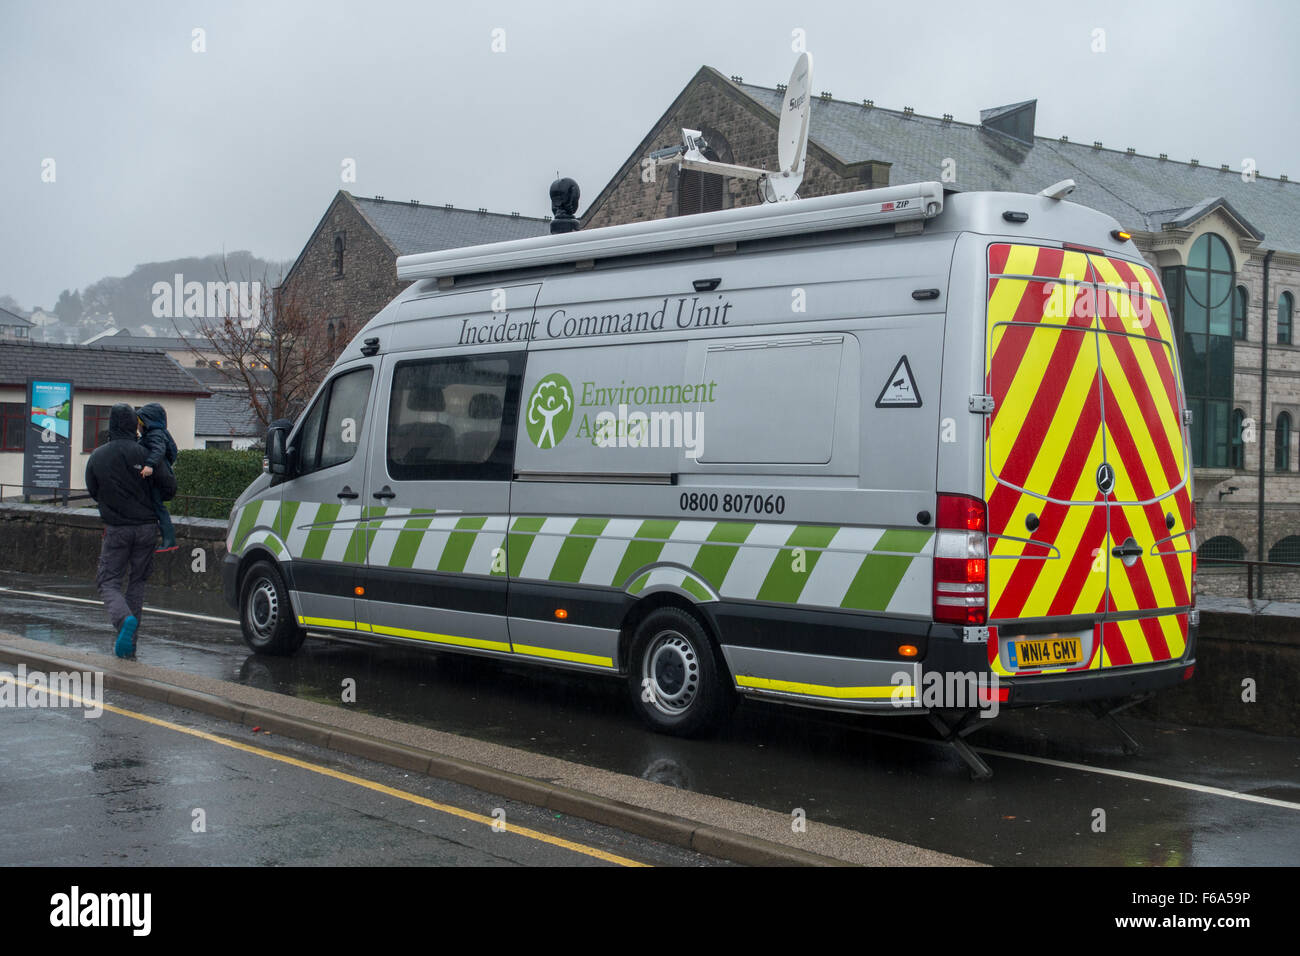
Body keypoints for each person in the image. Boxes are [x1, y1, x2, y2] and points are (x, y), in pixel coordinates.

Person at [85, 403, 176, 658]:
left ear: (112, 424)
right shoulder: (146, 453)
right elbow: (169, 488)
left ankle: (123, 620)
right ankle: (129, 645)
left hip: (116, 529)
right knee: (137, 583)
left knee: (108, 581)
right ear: (135, 424)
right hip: (147, 529)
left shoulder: (98, 456)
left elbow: (93, 490)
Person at [136, 402, 179, 552]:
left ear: (147, 422)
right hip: (160, 479)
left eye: (140, 423)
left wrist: (149, 465)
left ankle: (169, 540)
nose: (138, 427)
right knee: (155, 507)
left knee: (159, 508)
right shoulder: (155, 434)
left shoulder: (156, 435)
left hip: (159, 481)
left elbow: (158, 450)